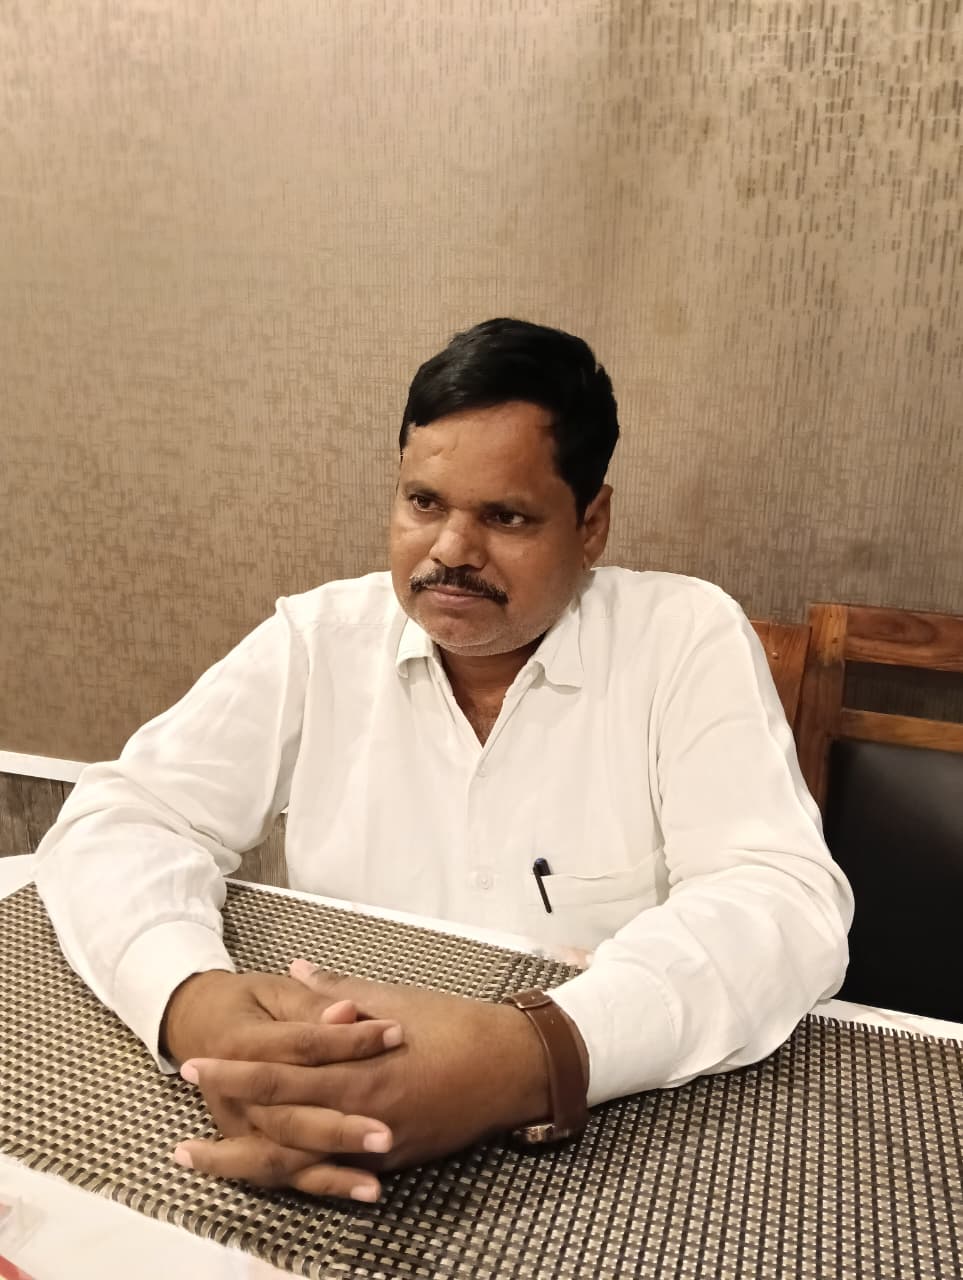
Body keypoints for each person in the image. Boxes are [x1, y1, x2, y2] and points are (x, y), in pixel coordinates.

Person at [35, 318, 853, 1204]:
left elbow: (780, 898)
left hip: (606, 1138)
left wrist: (525, 1056)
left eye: (505, 517)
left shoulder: (681, 638)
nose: (451, 552)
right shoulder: (319, 639)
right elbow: (124, 818)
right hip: (319, 1072)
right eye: (424, 503)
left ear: (591, 524)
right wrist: (191, 1001)